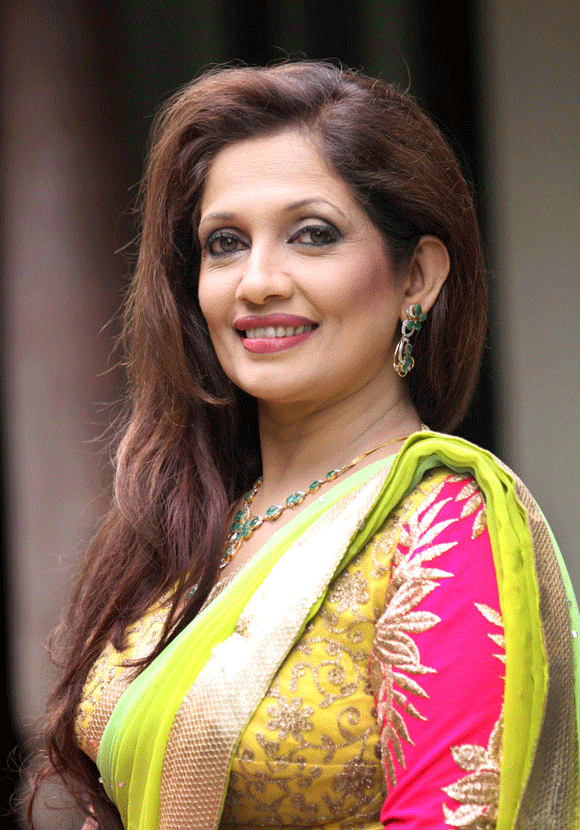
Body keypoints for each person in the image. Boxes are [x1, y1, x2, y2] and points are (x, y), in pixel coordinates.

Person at [27, 61, 580, 830]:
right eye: (225, 243)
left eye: (312, 235)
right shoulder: (201, 521)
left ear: (416, 275)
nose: (256, 282)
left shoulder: (447, 531)